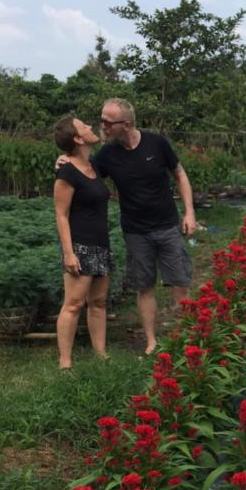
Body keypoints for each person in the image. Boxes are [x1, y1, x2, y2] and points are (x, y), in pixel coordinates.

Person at [56, 98, 197, 354]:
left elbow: (180, 174)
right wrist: (63, 159)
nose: (103, 126)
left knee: (180, 282)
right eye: (101, 120)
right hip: (135, 231)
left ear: (127, 124)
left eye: (108, 122)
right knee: (144, 286)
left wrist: (189, 212)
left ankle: (184, 336)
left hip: (168, 225)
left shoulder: (157, 143)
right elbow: (83, 171)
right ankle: (152, 341)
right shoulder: (107, 154)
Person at [53, 116, 114, 371]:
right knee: (74, 304)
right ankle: (65, 361)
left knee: (98, 302)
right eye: (84, 127)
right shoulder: (66, 172)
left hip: (101, 244)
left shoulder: (94, 166)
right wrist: (69, 253)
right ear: (77, 139)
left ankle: (100, 353)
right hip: (80, 246)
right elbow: (61, 215)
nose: (90, 127)